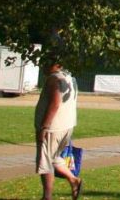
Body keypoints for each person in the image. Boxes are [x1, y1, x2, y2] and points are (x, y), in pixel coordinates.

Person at [35, 62, 82, 200]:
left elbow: (55, 103)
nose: (42, 65)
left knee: (45, 162)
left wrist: (44, 127)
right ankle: (73, 180)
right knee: (54, 157)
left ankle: (47, 196)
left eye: (45, 61)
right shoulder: (69, 78)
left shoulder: (55, 79)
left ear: (55, 64)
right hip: (67, 125)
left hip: (53, 128)